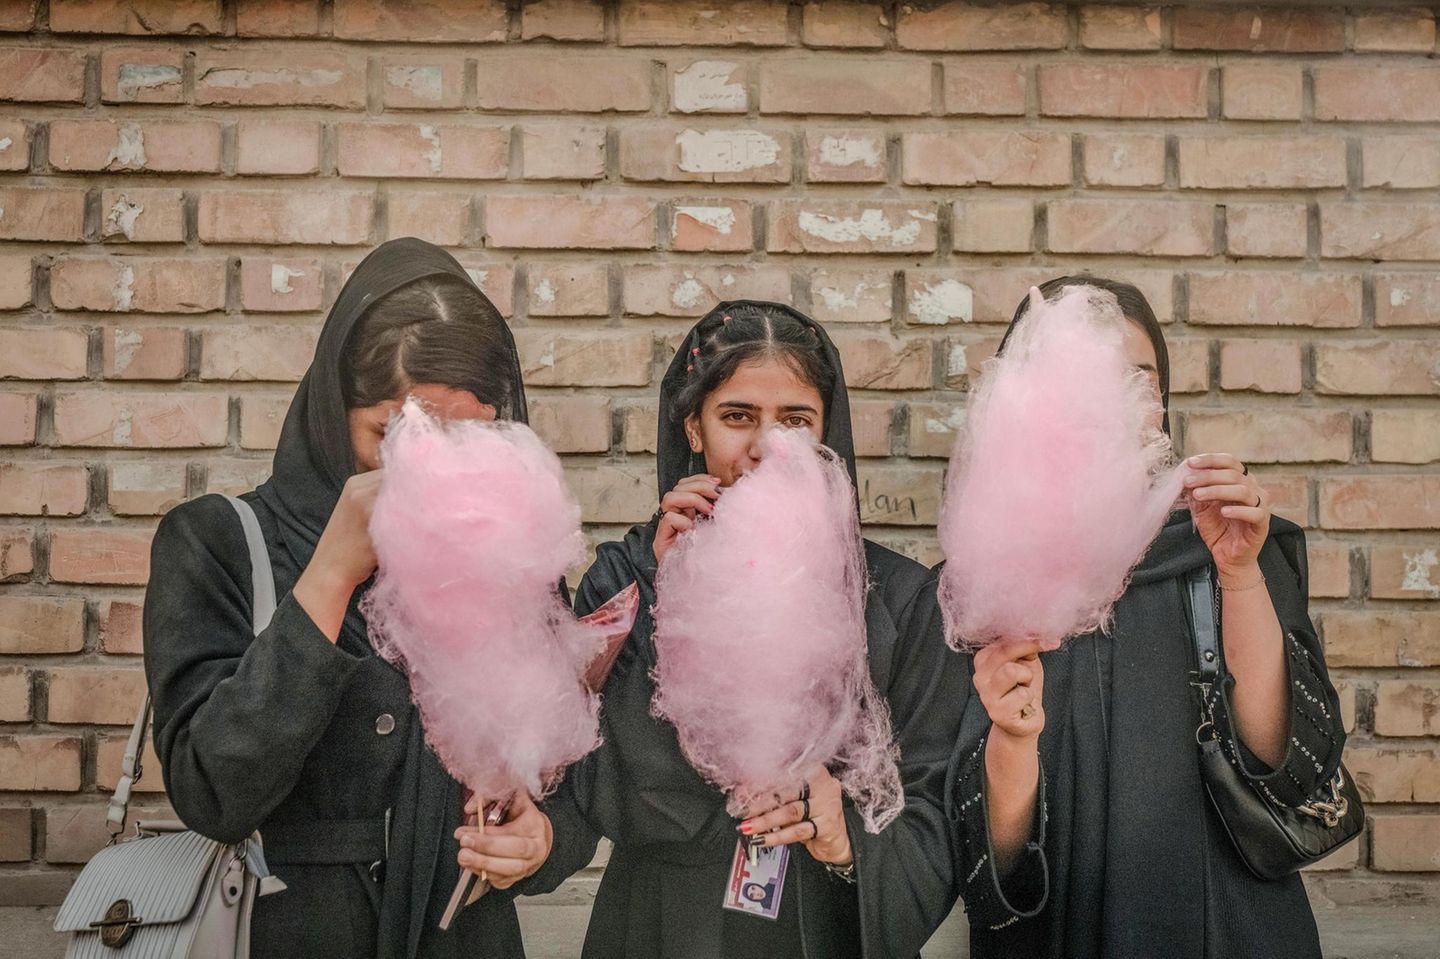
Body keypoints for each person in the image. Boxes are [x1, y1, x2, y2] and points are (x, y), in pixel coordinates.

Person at [143, 239, 558, 959]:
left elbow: (568, 773)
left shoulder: (510, 558)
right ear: (336, 413)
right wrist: (330, 575)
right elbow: (211, 792)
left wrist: (541, 838)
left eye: (469, 439)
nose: (433, 467)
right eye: (397, 435)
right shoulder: (217, 542)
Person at [525, 301, 969, 958]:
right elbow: (593, 783)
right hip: (661, 928)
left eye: (795, 420)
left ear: (825, 434)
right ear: (693, 427)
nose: (766, 447)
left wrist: (843, 836)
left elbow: (935, 819)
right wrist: (672, 597)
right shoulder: (625, 581)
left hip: (821, 930)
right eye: (737, 416)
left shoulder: (902, 600)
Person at [946, 276, 1345, 959]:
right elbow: (983, 855)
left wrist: (1239, 574)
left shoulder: (1227, 540)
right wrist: (1012, 737)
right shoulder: (983, 584)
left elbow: (1286, 764)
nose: (1122, 402)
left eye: (1141, 380)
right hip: (1057, 927)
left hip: (1226, 928)